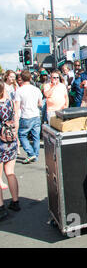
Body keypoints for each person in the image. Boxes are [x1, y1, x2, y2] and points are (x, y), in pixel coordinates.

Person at [0, 80, 21, 220]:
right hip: (10, 139)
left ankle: (1, 207)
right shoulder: (10, 102)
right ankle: (15, 201)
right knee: (10, 172)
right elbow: (16, 120)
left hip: (1, 141)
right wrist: (16, 138)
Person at [14, 70, 43, 164]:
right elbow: (40, 103)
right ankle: (36, 155)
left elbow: (17, 106)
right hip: (36, 115)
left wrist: (16, 118)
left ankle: (31, 153)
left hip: (25, 116)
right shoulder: (36, 89)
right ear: (30, 78)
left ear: (21, 79)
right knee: (36, 137)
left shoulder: (19, 90)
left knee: (22, 135)